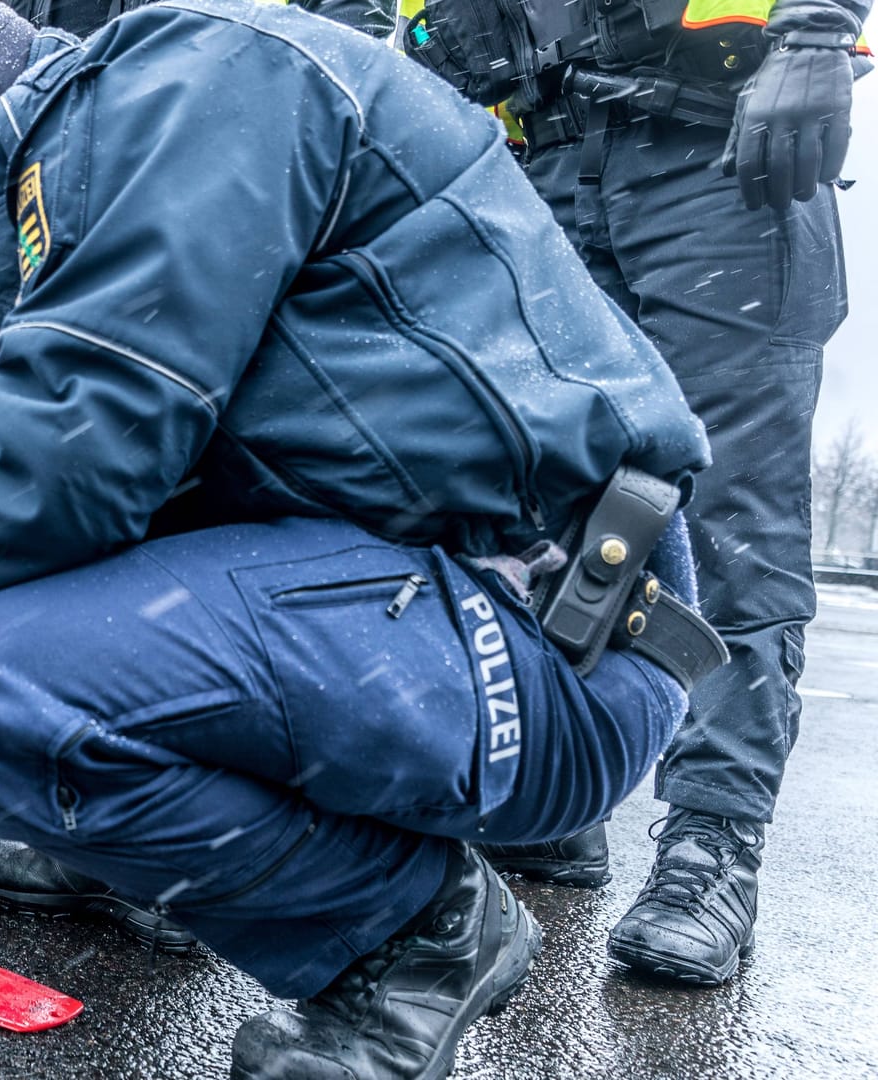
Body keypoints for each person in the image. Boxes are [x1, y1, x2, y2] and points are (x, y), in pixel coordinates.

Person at [0, 0, 729, 1074]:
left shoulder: (192, 87)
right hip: (458, 627)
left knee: (4, 689)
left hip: (562, 640)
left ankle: (418, 934)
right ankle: (236, 874)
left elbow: (57, 469)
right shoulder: (127, 160)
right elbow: (41, 512)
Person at [340, 0, 868, 987]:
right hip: (535, 148)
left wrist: (819, 24)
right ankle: (560, 804)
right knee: (539, 503)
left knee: (728, 523)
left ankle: (711, 850)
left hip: (719, 138)